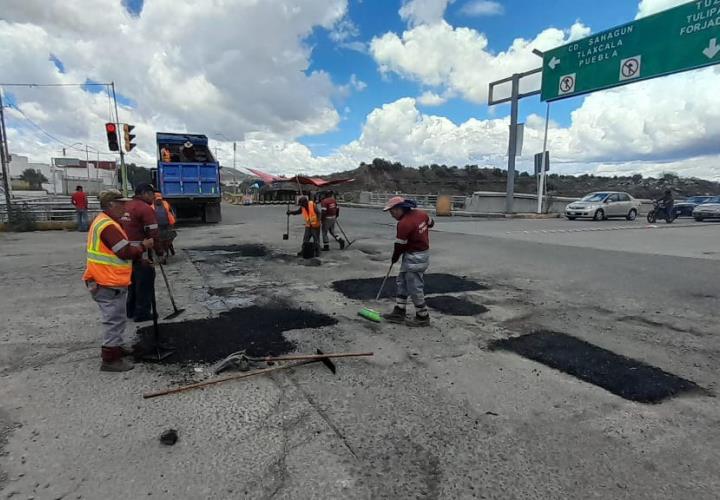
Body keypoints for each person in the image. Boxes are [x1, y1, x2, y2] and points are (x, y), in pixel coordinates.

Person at [83, 190, 154, 372]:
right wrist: (143, 247)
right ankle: (110, 359)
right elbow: (124, 252)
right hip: (107, 281)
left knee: (118, 318)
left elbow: (122, 249)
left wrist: (139, 258)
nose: (125, 207)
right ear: (111, 205)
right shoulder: (108, 226)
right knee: (113, 320)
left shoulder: (106, 222)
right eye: (121, 203)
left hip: (107, 279)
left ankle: (117, 347)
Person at [382, 196, 434, 327]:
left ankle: (423, 317)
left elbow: (399, 246)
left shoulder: (404, 223)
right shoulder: (421, 213)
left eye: (392, 211)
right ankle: (399, 311)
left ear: (400, 209)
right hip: (416, 254)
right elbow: (431, 223)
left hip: (416, 257)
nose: (391, 215)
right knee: (402, 281)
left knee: (414, 287)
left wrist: (394, 258)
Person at [121, 183, 162, 322]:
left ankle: (131, 310)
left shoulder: (127, 206)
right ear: (144, 193)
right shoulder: (145, 208)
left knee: (132, 281)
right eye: (152, 194)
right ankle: (142, 313)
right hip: (141, 250)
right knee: (145, 280)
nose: (153, 197)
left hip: (127, 250)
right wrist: (159, 250)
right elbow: (153, 232)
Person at [153, 190, 177, 261]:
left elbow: (171, 213)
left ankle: (167, 249)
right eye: (157, 199)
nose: (159, 201)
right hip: (158, 226)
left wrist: (172, 224)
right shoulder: (151, 206)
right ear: (154, 199)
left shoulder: (165, 203)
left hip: (167, 224)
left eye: (160, 199)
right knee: (162, 240)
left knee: (167, 238)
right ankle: (165, 250)